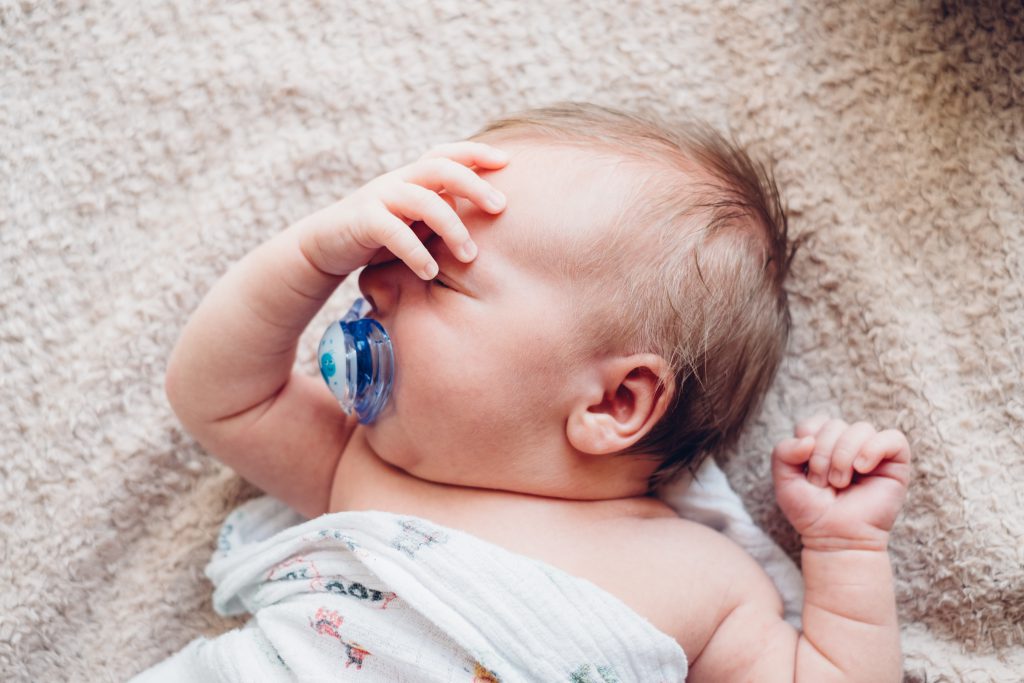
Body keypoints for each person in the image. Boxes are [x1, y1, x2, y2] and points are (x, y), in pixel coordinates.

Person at [157, 102, 911, 681]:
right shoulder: (363, 467)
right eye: (395, 246)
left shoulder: (700, 576)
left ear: (615, 403)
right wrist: (307, 255)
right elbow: (218, 395)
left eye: (437, 274)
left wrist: (845, 547)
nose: (372, 275)